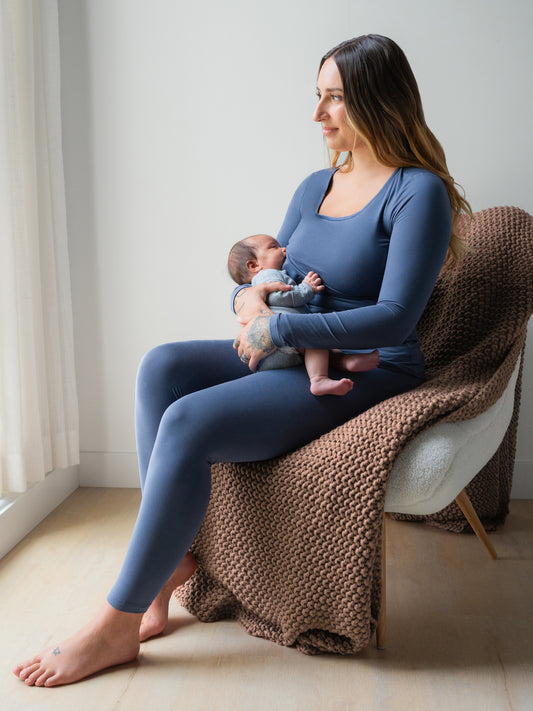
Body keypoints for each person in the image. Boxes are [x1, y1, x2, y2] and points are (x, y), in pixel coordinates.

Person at [13, 34, 470, 687]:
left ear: (378, 99)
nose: (318, 115)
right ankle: (170, 563)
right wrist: (247, 298)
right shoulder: (317, 183)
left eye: (334, 98)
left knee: (189, 421)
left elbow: (396, 315)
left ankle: (117, 620)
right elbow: (272, 270)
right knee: (161, 365)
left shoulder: (415, 192)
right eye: (317, 96)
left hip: (365, 368)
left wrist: (279, 323)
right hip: (293, 344)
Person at [228, 232, 379, 395]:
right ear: (253, 265)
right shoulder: (268, 275)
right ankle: (319, 379)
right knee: (316, 339)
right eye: (274, 247)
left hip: (272, 349)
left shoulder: (264, 278)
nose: (283, 249)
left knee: (320, 345)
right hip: (280, 342)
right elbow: (280, 296)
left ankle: (346, 362)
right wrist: (307, 288)